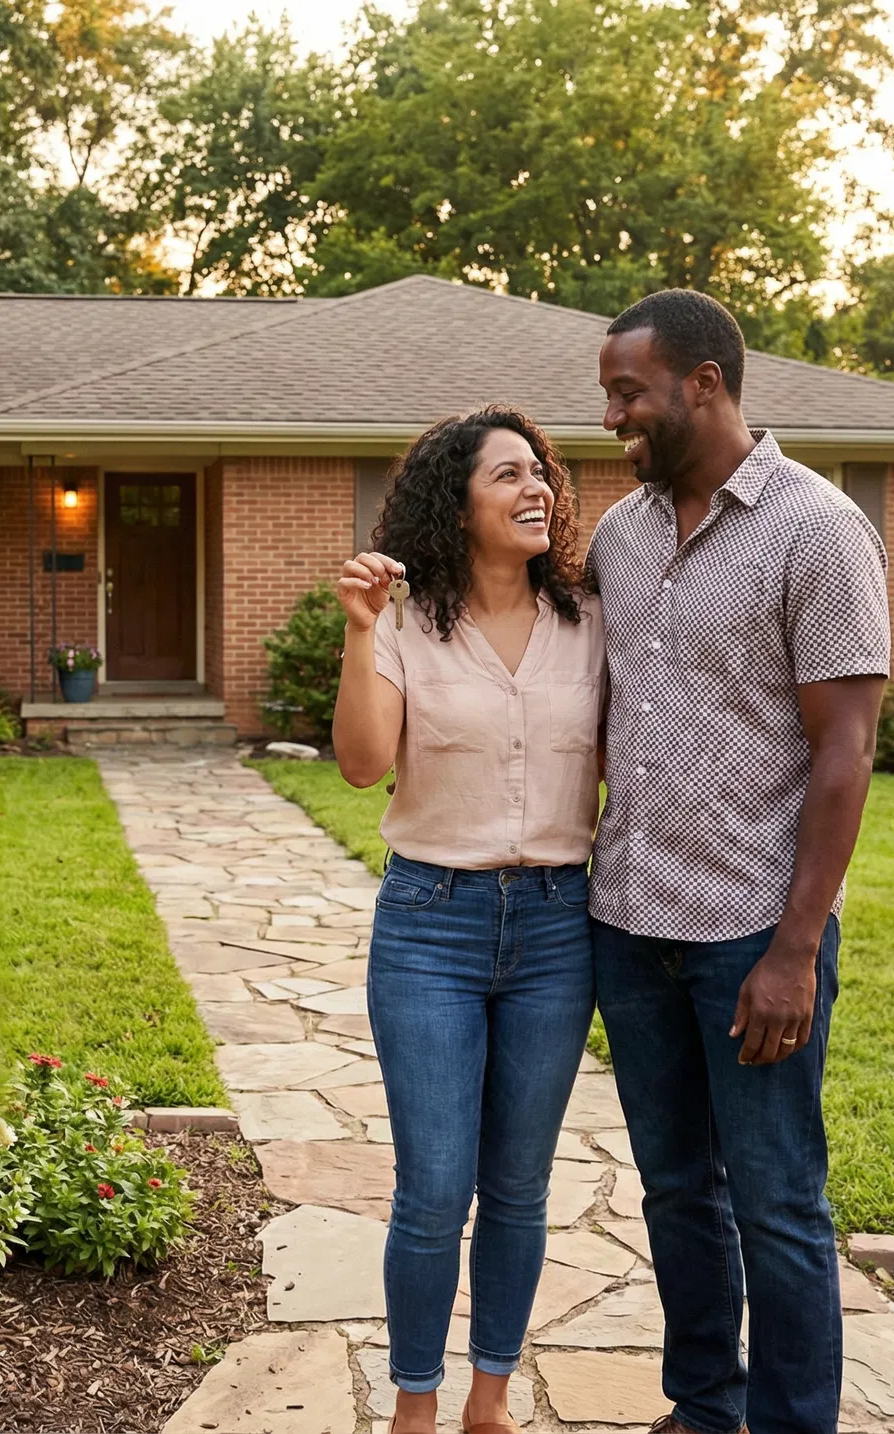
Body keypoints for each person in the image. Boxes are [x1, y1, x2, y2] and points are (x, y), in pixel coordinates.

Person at [586, 289, 890, 1434]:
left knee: (776, 1204)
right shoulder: (621, 534)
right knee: (675, 1193)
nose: (615, 415)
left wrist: (795, 948)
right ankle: (706, 1409)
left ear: (703, 384)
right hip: (630, 922)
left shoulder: (818, 529)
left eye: (631, 393)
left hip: (752, 936)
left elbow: (847, 750)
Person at [332, 406, 604, 1434]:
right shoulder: (404, 623)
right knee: (435, 1189)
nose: (537, 489)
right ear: (458, 502)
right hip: (430, 926)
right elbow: (362, 765)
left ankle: (490, 1397)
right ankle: (415, 1403)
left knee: (521, 1187)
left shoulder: (592, 623)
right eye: (508, 477)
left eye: (541, 474)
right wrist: (360, 635)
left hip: (556, 929)